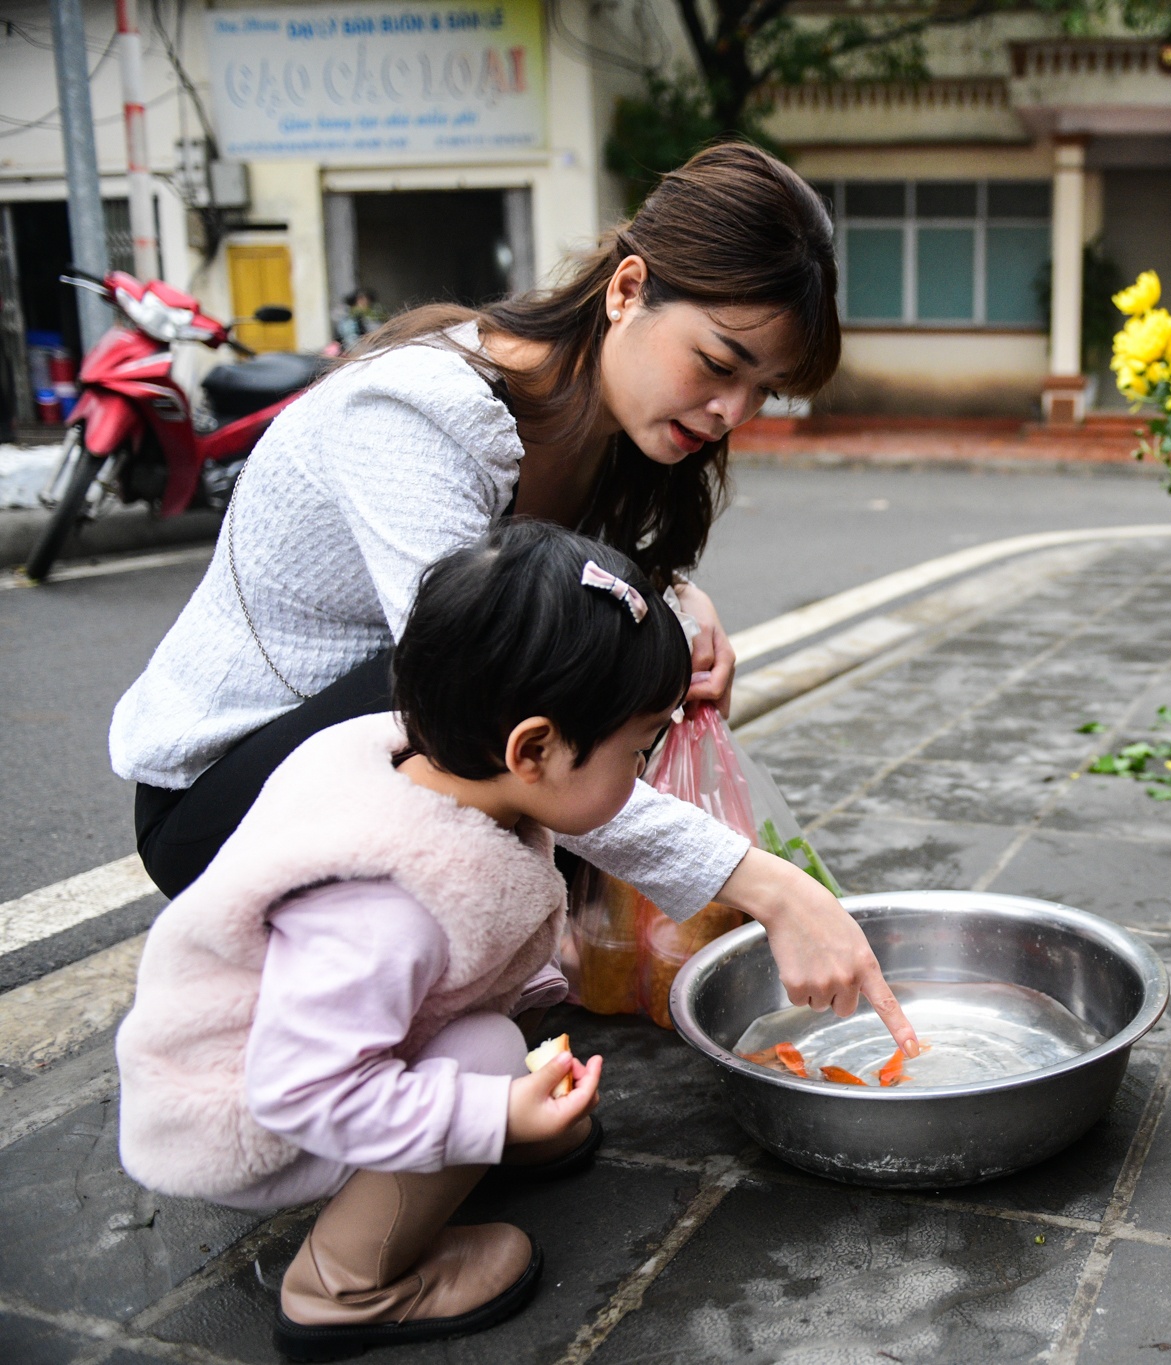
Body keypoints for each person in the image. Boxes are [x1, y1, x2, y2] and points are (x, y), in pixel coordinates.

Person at [109, 142, 916, 1049]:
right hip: (220, 804)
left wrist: (680, 602)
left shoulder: (621, 429)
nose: (733, 412)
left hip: (364, 764)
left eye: (762, 390)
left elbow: (585, 590)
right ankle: (350, 1052)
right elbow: (490, 688)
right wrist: (768, 883)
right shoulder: (421, 410)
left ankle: (452, 1003)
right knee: (514, 665)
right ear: (626, 290)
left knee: (604, 655)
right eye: (719, 363)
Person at [118, 524, 685, 1358]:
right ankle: (349, 1285)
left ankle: (462, 1139)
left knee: (492, 1046)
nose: (641, 772)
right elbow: (303, 1091)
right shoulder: (382, 907)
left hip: (306, 1044)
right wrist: (490, 1109)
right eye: (638, 750)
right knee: (487, 1057)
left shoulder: (413, 763)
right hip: (247, 1112)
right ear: (532, 748)